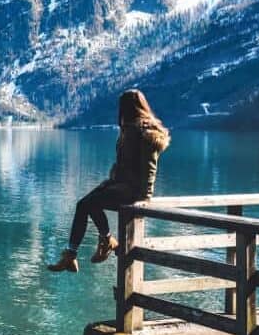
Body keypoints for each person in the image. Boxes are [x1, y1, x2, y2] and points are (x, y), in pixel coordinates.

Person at [48, 89, 170, 273]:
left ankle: (90, 247)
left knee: (88, 204)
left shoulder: (147, 133)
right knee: (84, 204)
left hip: (133, 191)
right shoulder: (130, 130)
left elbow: (149, 167)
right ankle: (79, 251)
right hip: (120, 185)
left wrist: (144, 198)